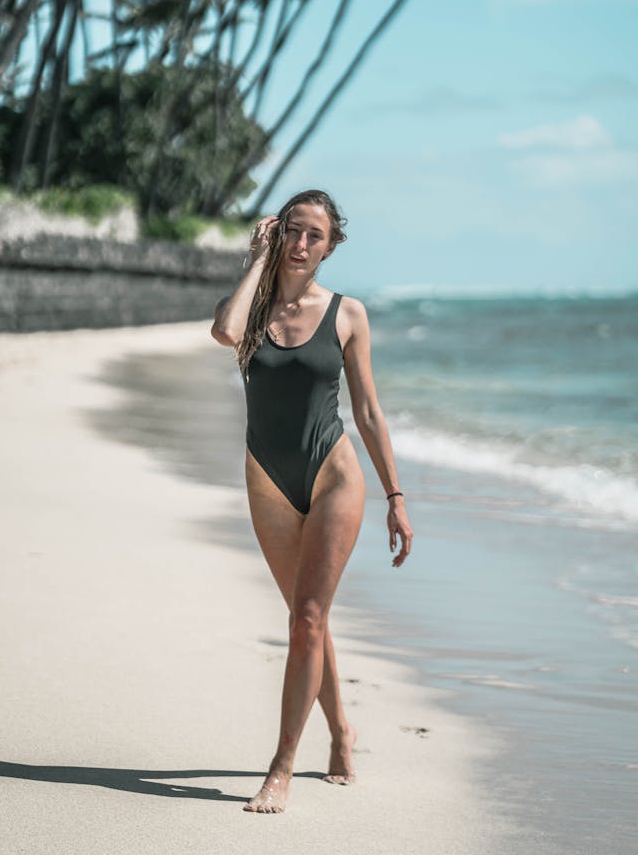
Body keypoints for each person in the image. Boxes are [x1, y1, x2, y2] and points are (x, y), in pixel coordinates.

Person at [210, 188, 413, 813]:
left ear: (332, 245)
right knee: (308, 619)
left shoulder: (347, 313)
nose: (301, 244)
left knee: (305, 620)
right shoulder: (252, 307)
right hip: (267, 476)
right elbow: (225, 331)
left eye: (313, 236)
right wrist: (255, 262)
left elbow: (369, 410)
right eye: (291, 231)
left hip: (334, 477)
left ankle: (281, 766)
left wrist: (395, 495)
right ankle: (342, 732)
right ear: (276, 234)